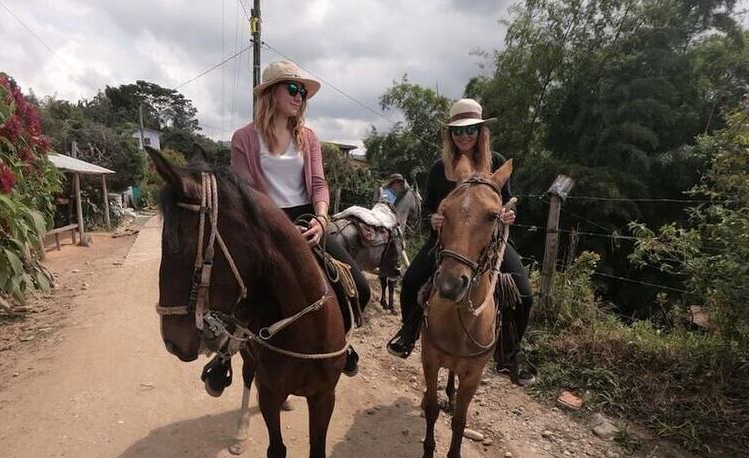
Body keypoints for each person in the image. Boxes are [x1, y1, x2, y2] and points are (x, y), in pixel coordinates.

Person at [222, 60, 368, 385]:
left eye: (302, 91)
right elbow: (247, 194)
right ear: (271, 92)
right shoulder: (243, 139)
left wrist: (320, 217)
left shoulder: (308, 137)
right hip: (263, 227)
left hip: (306, 222)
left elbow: (319, 184)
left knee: (360, 287)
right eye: (292, 88)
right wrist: (277, 230)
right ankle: (224, 356)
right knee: (234, 294)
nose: (299, 96)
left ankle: (340, 344)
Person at [386, 98, 535, 385]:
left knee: (524, 296)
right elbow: (428, 207)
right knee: (412, 280)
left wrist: (508, 215)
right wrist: (433, 219)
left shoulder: (498, 163)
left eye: (470, 130)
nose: (464, 136)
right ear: (450, 134)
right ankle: (408, 333)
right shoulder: (439, 169)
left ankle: (509, 353)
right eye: (458, 130)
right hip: (446, 243)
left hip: (488, 243)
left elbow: (508, 203)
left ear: (481, 131)